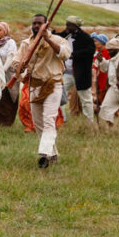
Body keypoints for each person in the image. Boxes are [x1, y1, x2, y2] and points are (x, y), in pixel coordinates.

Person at [12, 14, 70, 168]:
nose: (36, 26)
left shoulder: (58, 40)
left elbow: (65, 54)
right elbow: (16, 61)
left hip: (53, 84)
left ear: (46, 25)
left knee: (49, 120)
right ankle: (53, 153)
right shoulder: (26, 43)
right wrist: (20, 68)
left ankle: (44, 155)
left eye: (40, 23)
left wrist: (48, 39)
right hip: (34, 85)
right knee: (38, 123)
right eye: (34, 23)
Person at [55, 16, 96, 124]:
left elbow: (90, 50)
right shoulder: (65, 34)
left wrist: (75, 55)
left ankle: (89, 123)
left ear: (75, 26)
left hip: (81, 73)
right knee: (59, 95)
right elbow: (56, 38)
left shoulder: (86, 37)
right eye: (66, 24)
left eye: (69, 25)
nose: (66, 26)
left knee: (86, 99)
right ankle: (61, 119)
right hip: (66, 73)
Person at [91, 33, 110, 108]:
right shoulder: (98, 52)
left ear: (102, 42)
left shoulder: (108, 52)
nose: (94, 43)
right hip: (97, 78)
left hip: (104, 78)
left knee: (104, 96)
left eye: (96, 41)